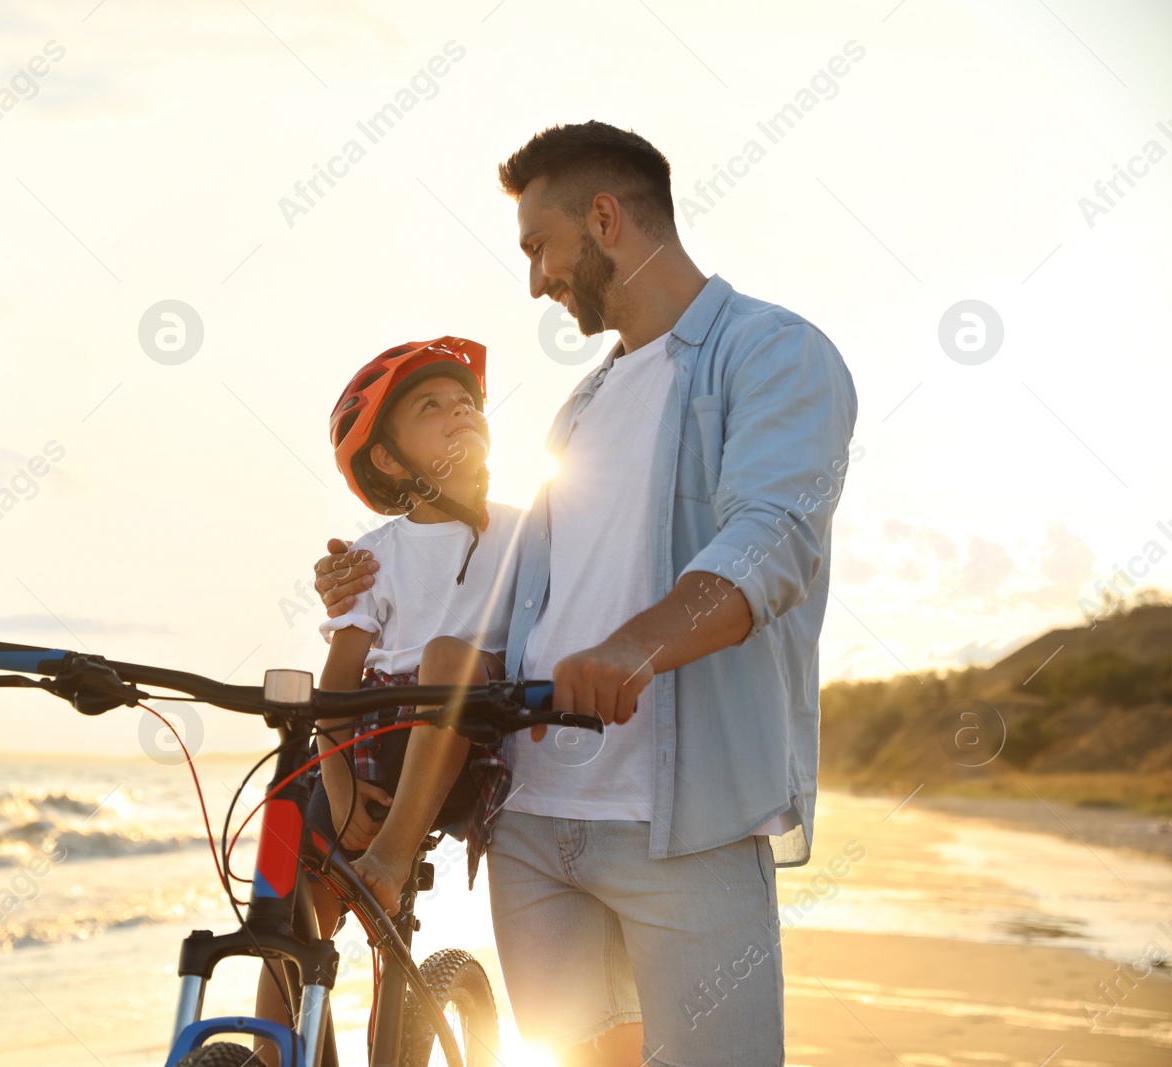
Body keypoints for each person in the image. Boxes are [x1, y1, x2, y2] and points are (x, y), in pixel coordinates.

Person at [312, 121, 859, 1067]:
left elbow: (772, 541)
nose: (535, 280)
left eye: (541, 247)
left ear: (604, 219)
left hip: (681, 827)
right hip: (530, 825)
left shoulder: (771, 353)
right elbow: (520, 590)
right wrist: (367, 596)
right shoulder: (584, 404)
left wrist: (632, 647)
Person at [253, 335, 526, 1064]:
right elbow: (340, 679)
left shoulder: (528, 531)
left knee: (443, 656)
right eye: (431, 406)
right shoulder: (376, 554)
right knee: (284, 864)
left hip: (463, 731)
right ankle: (283, 1045)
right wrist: (339, 790)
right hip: (366, 741)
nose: (458, 411)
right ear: (387, 457)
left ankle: (392, 857)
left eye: (466, 402)